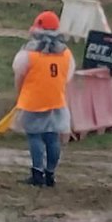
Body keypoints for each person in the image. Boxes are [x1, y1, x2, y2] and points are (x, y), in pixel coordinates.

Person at [13, 11, 75, 188]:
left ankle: (37, 173)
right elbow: (68, 77)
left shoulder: (28, 53)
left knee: (35, 136)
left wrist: (20, 96)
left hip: (33, 101)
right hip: (57, 100)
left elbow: (19, 74)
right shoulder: (67, 54)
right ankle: (50, 174)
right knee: (52, 137)